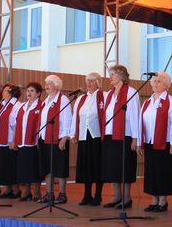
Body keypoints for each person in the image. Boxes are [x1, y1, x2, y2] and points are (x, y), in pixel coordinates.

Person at [101, 65, 140, 209]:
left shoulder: (131, 92)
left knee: (125, 166)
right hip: (110, 134)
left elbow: (135, 115)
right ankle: (117, 196)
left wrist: (135, 138)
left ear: (121, 76)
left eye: (113, 74)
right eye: (110, 74)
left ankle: (127, 198)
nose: (110, 77)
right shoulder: (109, 94)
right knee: (112, 167)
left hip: (125, 134)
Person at [139, 72, 172, 212]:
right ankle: (154, 200)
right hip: (150, 142)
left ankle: (163, 201)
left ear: (166, 85)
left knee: (163, 171)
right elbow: (141, 122)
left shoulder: (170, 101)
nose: (155, 83)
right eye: (154, 81)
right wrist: (140, 142)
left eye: (159, 81)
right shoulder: (147, 102)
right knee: (151, 172)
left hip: (165, 142)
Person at [70, 72, 105, 206]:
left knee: (97, 166)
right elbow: (75, 117)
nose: (89, 83)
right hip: (84, 135)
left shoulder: (104, 96)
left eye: (92, 81)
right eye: (88, 81)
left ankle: (98, 195)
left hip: (97, 136)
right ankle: (87, 195)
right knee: (85, 166)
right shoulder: (81, 99)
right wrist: (73, 134)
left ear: (98, 82)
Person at [38, 75, 73, 204]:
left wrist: (64, 138)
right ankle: (49, 194)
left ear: (57, 85)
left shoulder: (63, 100)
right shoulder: (45, 101)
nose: (46, 85)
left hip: (58, 138)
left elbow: (67, 120)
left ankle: (62, 194)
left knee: (60, 167)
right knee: (47, 167)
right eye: (46, 83)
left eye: (50, 83)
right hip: (45, 138)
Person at [12, 82, 43, 201]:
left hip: (34, 142)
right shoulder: (22, 106)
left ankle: (37, 191)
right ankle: (27, 191)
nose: (29, 93)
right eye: (28, 90)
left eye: (32, 91)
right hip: (22, 141)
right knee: (24, 168)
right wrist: (14, 140)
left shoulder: (41, 106)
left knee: (35, 167)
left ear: (38, 93)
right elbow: (16, 124)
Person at [0, 84, 23, 199]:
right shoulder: (2, 105)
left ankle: (16, 190)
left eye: (6, 90)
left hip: (9, 141)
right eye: (3, 90)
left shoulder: (16, 105)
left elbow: (16, 124)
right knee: (3, 167)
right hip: (0, 140)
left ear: (11, 93)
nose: (3, 92)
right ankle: (8, 189)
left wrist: (14, 140)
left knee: (10, 166)